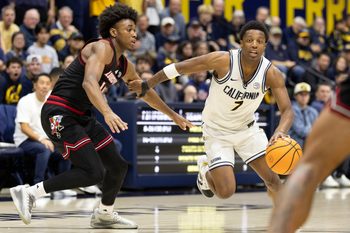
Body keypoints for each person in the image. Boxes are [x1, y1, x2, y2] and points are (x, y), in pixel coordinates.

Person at [9, 3, 193, 229]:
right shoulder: (101, 48)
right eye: (129, 28)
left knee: (118, 166)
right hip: (59, 113)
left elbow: (144, 91)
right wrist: (107, 112)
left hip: (81, 116)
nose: (135, 33)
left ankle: (104, 214)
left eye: (136, 29)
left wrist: (173, 116)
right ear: (114, 32)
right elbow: (88, 83)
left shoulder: (124, 65)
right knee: (93, 172)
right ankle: (30, 193)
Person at [128, 21, 294, 202]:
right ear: (241, 42)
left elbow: (287, 111)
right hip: (216, 131)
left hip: (247, 130)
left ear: (265, 45)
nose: (254, 44)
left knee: (273, 180)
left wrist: (280, 131)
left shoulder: (271, 73)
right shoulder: (223, 60)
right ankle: (205, 172)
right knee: (225, 192)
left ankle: (288, 224)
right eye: (249, 40)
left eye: (259, 41)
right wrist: (147, 84)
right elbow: (180, 68)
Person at [268, 75, 350, 233]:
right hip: (295, 145)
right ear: (296, 96)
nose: (304, 96)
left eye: (306, 94)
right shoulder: (294, 109)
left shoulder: (312, 110)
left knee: (309, 169)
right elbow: (302, 131)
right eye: (301, 94)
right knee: (309, 163)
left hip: (303, 148)